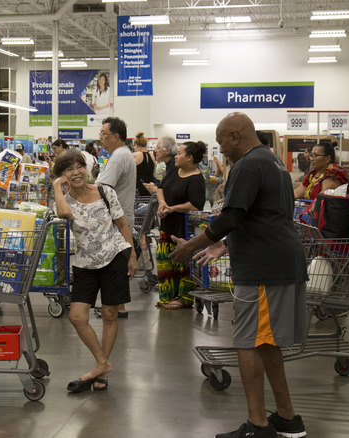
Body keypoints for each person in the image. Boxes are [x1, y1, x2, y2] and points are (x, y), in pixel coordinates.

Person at [171, 112, 308, 438]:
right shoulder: (271, 160)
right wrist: (226, 245)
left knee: (247, 342)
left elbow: (231, 217)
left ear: (235, 137)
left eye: (222, 144)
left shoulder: (248, 165)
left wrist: (193, 245)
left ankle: (258, 424)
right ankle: (287, 418)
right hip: (277, 261)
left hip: (262, 268)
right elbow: (264, 216)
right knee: (266, 342)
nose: (221, 151)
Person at [52, 150, 136, 393]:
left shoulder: (104, 192)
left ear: (86, 168)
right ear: (62, 175)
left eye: (79, 166)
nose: (76, 172)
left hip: (114, 257)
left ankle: (102, 373)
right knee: (77, 316)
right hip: (85, 263)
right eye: (69, 169)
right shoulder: (64, 199)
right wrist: (58, 186)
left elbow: (121, 224)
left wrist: (131, 255)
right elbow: (64, 214)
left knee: (110, 315)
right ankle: (103, 363)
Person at [155, 139, 206, 310]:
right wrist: (162, 203)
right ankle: (167, 297)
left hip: (183, 229)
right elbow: (160, 188)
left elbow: (195, 204)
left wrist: (173, 208)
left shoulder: (197, 179)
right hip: (167, 226)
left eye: (180, 153)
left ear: (190, 157)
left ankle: (183, 299)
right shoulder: (174, 170)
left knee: (183, 265)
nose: (176, 156)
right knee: (165, 263)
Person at [96, 117, 136, 318]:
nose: (100, 137)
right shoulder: (123, 154)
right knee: (117, 262)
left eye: (104, 133)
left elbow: (103, 187)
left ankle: (118, 307)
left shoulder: (119, 156)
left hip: (116, 218)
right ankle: (118, 305)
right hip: (121, 215)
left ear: (116, 136)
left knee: (115, 264)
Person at [132, 132, 156, 196]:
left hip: (138, 187)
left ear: (136, 145)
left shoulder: (135, 155)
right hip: (151, 187)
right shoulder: (152, 155)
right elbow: (153, 172)